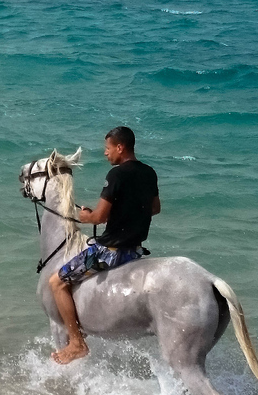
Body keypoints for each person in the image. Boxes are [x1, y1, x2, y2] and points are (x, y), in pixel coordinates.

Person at [48, 126, 160, 364]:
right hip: (135, 250)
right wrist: (124, 213)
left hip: (110, 252)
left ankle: (76, 343)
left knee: (56, 282)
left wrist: (85, 216)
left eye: (108, 148)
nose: (105, 153)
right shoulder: (149, 172)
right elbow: (155, 208)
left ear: (120, 147)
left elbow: (98, 217)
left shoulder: (116, 175)